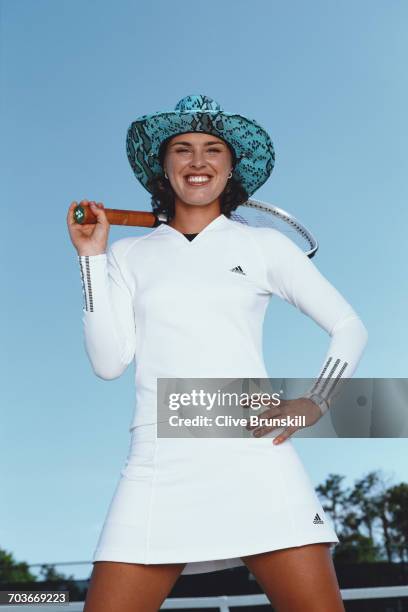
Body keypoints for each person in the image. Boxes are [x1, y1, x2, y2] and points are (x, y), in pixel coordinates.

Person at [67, 94, 368, 612]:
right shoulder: (127, 254)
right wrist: (91, 259)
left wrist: (314, 402)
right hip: (157, 462)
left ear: (231, 169)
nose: (198, 161)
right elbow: (108, 363)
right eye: (182, 149)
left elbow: (349, 327)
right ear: (164, 167)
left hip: (254, 453)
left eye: (212, 150)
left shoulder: (265, 246)